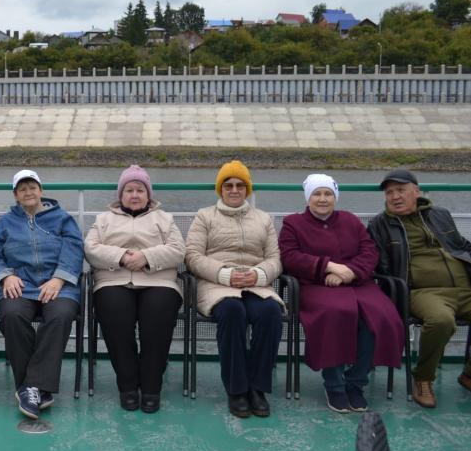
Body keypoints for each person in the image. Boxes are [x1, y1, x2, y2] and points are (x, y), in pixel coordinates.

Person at [279, 174, 404, 413]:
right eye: (317, 194)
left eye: (328, 194)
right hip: (317, 285)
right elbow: (290, 256)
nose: (322, 199)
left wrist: (349, 272)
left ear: (335, 197)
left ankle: (356, 383)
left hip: (358, 283)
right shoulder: (293, 223)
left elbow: (369, 251)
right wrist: (329, 266)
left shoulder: (350, 220)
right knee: (335, 314)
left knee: (381, 317)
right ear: (308, 198)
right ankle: (335, 385)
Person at [185, 160, 283, 418]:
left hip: (256, 283)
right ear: (220, 189)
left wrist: (259, 274)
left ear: (247, 189)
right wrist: (224, 274)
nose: (234, 190)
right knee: (232, 312)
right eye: (228, 185)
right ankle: (237, 389)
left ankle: (258, 388)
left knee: (270, 313)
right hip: (216, 283)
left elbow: (274, 258)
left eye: (240, 185)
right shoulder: (204, 216)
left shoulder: (263, 219)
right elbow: (193, 256)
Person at [84, 165, 185, 413]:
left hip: (158, 281)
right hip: (113, 280)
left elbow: (178, 250)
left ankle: (151, 387)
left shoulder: (165, 219)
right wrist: (120, 257)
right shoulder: (103, 220)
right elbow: (90, 248)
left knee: (157, 317)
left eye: (140, 190)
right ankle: (127, 386)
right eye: (129, 190)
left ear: (148, 194)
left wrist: (146, 257)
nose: (135, 195)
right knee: (115, 314)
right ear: (121, 194)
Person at [0, 169, 84, 420]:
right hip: (21, 284)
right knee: (12, 314)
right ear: (16, 195)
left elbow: (74, 250)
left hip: (59, 284)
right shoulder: (6, 223)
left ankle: (31, 387)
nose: (28, 192)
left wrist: (58, 279)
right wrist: (6, 276)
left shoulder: (62, 219)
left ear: (41, 191)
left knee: (60, 315)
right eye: (22, 189)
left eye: (32, 187)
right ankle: (37, 388)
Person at [368, 169, 471, 408]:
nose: (395, 197)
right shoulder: (380, 224)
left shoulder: (440, 215)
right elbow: (380, 267)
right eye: (389, 193)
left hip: (464, 286)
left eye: (401, 190)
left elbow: (461, 245)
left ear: (416, 191)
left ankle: (468, 374)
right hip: (422, 292)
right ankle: (423, 378)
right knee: (441, 321)